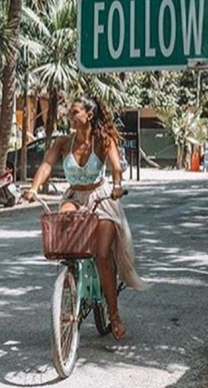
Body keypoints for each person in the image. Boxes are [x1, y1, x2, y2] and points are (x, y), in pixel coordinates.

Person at [23, 97, 149, 341]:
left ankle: (114, 315)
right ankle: (71, 280)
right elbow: (47, 165)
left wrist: (118, 185)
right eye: (70, 111)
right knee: (65, 232)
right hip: (75, 196)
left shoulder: (103, 140)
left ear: (89, 115)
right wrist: (34, 188)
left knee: (102, 255)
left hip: (102, 198)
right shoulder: (63, 142)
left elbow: (116, 167)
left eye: (75, 111)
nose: (70, 115)